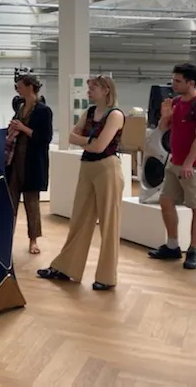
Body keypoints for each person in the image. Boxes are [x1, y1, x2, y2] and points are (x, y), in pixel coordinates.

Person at [37, 76, 125, 291]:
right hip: (87, 167)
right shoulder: (90, 112)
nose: (89, 91)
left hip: (107, 168)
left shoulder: (115, 115)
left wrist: (84, 140)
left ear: (106, 90)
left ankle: (107, 276)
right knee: (79, 220)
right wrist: (89, 141)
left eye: (93, 87)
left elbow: (100, 146)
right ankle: (66, 267)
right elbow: (71, 137)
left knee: (109, 223)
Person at [148, 63, 196, 270]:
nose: (173, 84)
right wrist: (166, 115)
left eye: (178, 81)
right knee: (165, 200)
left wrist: (188, 163)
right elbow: (162, 128)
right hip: (175, 162)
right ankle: (172, 245)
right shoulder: (176, 102)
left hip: (195, 165)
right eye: (173, 80)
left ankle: (193, 250)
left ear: (190, 83)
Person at [5, 74, 53, 255]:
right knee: (9, 202)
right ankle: (6, 238)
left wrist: (22, 128)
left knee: (32, 203)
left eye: (19, 86)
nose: (17, 89)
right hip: (14, 161)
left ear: (30, 87)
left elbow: (45, 138)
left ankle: (33, 240)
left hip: (32, 163)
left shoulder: (43, 111)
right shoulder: (20, 107)